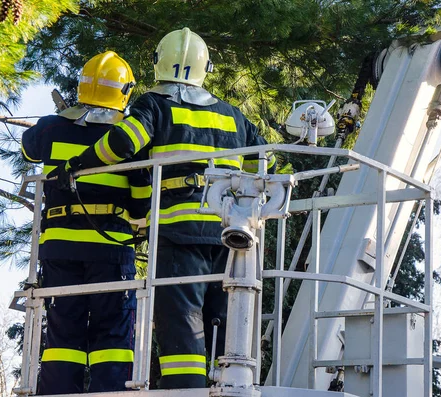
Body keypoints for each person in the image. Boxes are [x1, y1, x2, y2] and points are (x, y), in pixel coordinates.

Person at [49, 28, 276, 389]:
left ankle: (184, 392)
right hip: (230, 236)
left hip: (177, 233)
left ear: (158, 63)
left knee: (181, 324)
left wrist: (78, 164)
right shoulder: (233, 116)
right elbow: (266, 163)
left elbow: (123, 141)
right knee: (221, 321)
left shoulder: (154, 104)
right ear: (206, 68)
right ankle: (224, 388)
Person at [21, 51, 150, 394]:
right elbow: (141, 198)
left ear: (82, 87)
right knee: (112, 331)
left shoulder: (51, 127)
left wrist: (63, 118)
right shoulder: (128, 134)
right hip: (109, 248)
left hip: (58, 247)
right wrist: (140, 223)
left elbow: (28, 148)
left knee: (64, 330)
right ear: (124, 91)